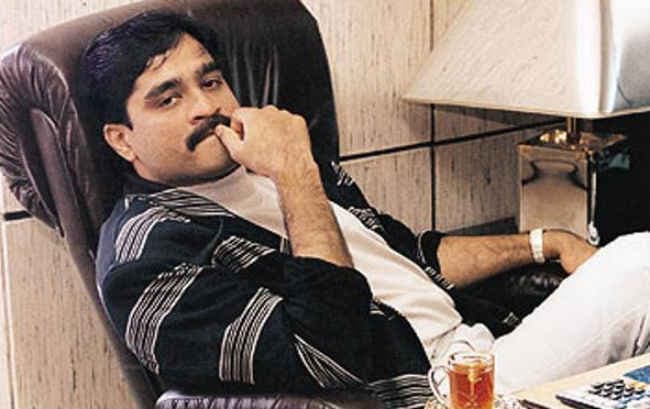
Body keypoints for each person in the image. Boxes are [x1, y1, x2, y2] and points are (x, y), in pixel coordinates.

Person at [82, 10, 650, 408]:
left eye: (211, 80)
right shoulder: (146, 259)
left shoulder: (285, 167)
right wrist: (294, 174)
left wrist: (544, 242)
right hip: (427, 395)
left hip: (484, 354)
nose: (206, 106)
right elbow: (330, 353)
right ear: (121, 140)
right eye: (169, 98)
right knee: (638, 262)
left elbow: (413, 256)